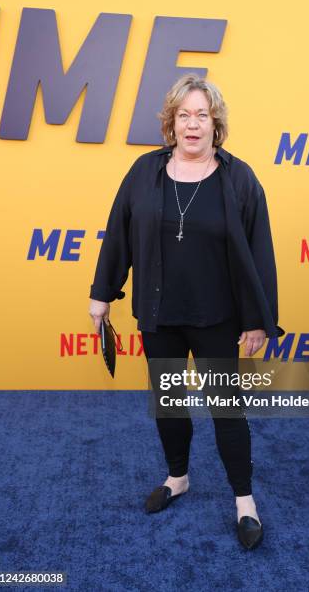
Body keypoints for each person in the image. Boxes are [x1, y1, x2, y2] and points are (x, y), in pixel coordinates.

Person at [89, 73, 285, 550]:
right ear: (170, 123)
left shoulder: (239, 178)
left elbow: (260, 252)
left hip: (218, 316)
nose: (192, 124)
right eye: (184, 115)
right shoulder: (144, 172)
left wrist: (257, 318)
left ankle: (244, 501)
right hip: (159, 314)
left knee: (226, 411)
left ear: (215, 124)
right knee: (171, 405)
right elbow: (118, 233)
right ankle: (178, 477)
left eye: (202, 115)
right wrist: (102, 293)